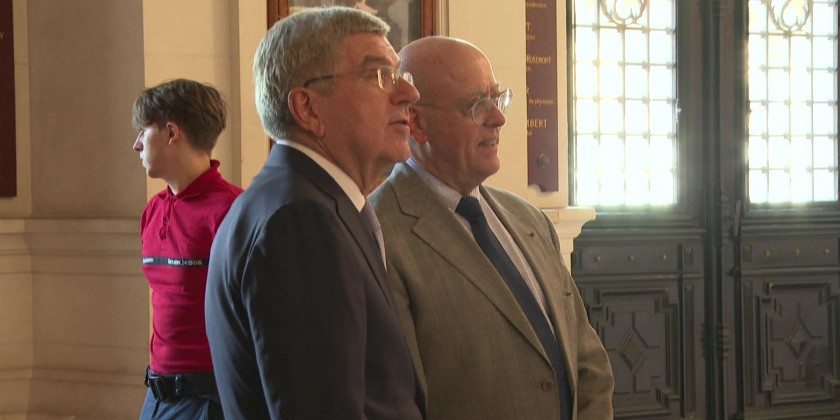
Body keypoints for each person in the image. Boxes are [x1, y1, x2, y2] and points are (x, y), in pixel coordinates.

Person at [369, 36, 616, 420]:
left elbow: (588, 363)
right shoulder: (378, 232)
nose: (498, 118)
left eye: (498, 99)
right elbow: (395, 402)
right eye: (477, 105)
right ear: (416, 121)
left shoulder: (529, 219)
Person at [204, 7, 423, 419]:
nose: (408, 94)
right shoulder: (299, 220)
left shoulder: (304, 201)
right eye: (379, 74)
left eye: (399, 74)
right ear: (307, 108)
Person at [132, 78, 243, 419]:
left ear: (171, 133)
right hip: (156, 396)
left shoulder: (233, 211)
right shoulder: (152, 210)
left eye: (143, 131)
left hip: (209, 400)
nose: (137, 144)